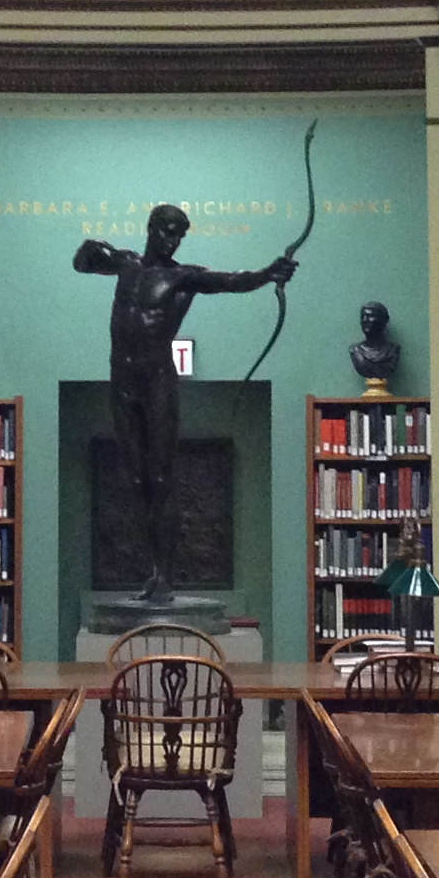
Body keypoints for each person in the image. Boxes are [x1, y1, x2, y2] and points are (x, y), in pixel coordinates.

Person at [75, 206, 295, 602]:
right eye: (168, 232)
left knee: (160, 479)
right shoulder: (126, 264)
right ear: (151, 229)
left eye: (179, 235)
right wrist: (90, 248)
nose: (173, 241)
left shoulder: (183, 277)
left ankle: (163, 575)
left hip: (157, 380)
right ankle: (151, 571)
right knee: (137, 480)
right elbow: (82, 263)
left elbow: (231, 281)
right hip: (122, 381)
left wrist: (268, 274)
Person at [349, 300, 401, 396]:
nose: (365, 320)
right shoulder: (355, 350)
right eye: (363, 317)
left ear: (384, 320)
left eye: (370, 316)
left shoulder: (393, 350)